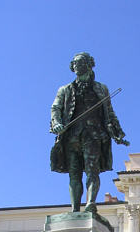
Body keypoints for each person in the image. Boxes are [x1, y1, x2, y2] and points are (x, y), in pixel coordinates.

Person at [50, 52, 129, 214]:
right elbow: (56, 108)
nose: (77, 66)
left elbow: (110, 112)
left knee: (92, 170)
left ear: (89, 65)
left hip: (94, 135)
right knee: (74, 173)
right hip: (71, 136)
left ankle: (90, 203)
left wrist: (118, 133)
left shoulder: (101, 88)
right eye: (75, 63)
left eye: (81, 63)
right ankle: (74, 209)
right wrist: (57, 123)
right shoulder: (65, 90)